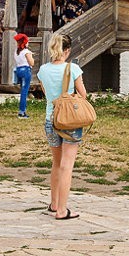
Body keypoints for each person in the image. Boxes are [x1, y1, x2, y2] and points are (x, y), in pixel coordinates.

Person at [36, 33, 88, 220]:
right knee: (67, 165)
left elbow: (47, 93)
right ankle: (62, 210)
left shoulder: (43, 70)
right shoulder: (72, 69)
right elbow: (83, 95)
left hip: (50, 119)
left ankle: (54, 203)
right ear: (67, 50)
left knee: (56, 163)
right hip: (69, 122)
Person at [13, 33, 34, 118]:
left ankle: (23, 110)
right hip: (25, 70)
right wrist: (31, 56)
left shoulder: (17, 52)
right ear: (24, 42)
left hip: (18, 70)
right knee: (24, 92)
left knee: (23, 90)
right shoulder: (26, 52)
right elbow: (32, 63)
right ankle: (22, 112)